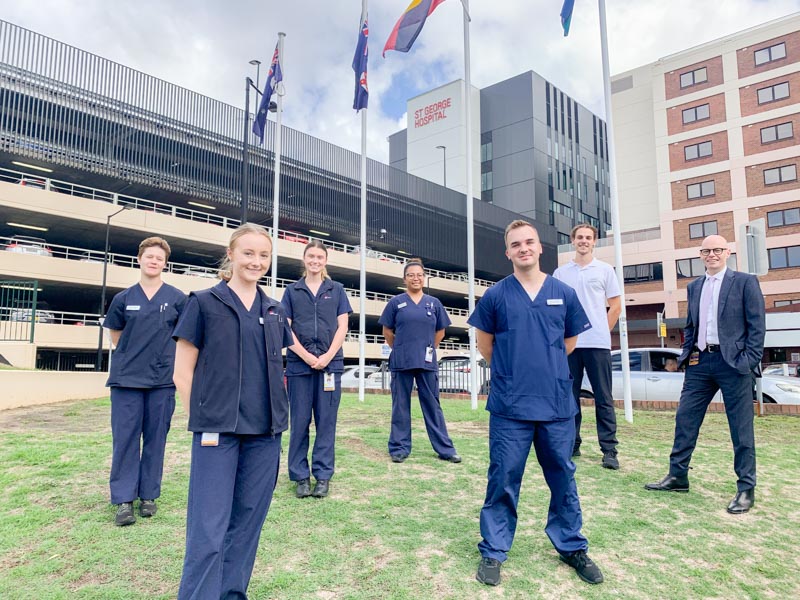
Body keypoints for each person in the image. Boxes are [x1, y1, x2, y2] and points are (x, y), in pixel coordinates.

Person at [468, 220, 603, 587]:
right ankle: (493, 550)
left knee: (562, 477)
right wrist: (515, 370)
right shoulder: (496, 296)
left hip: (556, 404)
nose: (523, 248)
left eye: (529, 242)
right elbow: (486, 346)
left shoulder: (564, 292)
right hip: (510, 405)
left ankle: (572, 546)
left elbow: (570, 343)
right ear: (508, 252)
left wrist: (545, 366)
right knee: (503, 479)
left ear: (540, 248)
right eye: (516, 244)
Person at [172, 224, 293, 599]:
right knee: (208, 528)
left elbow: (277, 369)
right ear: (232, 254)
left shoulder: (274, 310)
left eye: (263, 255)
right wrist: (204, 418)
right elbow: (182, 372)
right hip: (217, 433)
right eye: (248, 253)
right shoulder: (203, 302)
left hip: (264, 435)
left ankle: (231, 594)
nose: (256, 262)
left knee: (247, 525)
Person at [645, 235, 765, 514]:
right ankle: (678, 476)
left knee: (741, 428)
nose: (712, 254)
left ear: (727, 252)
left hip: (734, 364)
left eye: (717, 250)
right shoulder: (694, 286)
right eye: (706, 251)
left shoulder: (745, 282)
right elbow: (690, 325)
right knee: (685, 418)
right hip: (700, 363)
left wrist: (748, 361)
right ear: (700, 255)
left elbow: (757, 327)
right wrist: (687, 356)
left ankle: (746, 488)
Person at [103, 236, 186, 526]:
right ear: (140, 259)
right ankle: (124, 500)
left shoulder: (177, 299)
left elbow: (184, 339)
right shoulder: (123, 299)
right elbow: (116, 336)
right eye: (149, 256)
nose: (154, 261)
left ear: (165, 263)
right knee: (125, 440)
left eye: (159, 258)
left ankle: (148, 495)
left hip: (162, 381)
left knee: (155, 439)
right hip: (127, 381)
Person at [282, 241, 352, 499]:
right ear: (304, 259)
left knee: (326, 424)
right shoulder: (292, 291)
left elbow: (342, 327)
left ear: (325, 261)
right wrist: (307, 356)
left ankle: (323, 476)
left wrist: (326, 357)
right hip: (300, 367)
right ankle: (300, 476)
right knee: (299, 422)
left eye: (319, 257)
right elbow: (286, 329)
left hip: (329, 367)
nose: (315, 260)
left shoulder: (337, 290)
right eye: (311, 256)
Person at [553, 223, 622, 469]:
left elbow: (615, 305)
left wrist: (603, 329)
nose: (584, 241)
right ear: (573, 240)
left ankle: (609, 450)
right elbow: (554, 308)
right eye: (580, 237)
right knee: (569, 396)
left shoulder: (604, 270)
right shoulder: (561, 273)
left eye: (588, 238)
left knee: (603, 397)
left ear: (594, 242)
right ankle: (572, 443)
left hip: (598, 344)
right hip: (569, 345)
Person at [378, 259, 460, 464]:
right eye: (411, 275)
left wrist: (429, 346)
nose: (416, 278)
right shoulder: (396, 302)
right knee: (400, 406)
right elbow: (387, 331)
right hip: (401, 360)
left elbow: (440, 331)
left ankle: (445, 449)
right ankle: (399, 448)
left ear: (424, 278)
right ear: (405, 279)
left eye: (419, 275)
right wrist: (401, 347)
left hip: (427, 361)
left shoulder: (434, 303)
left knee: (433, 406)